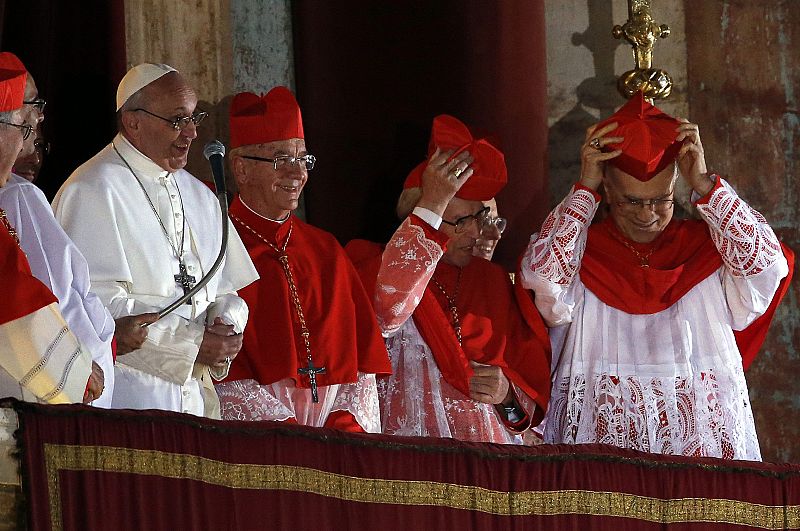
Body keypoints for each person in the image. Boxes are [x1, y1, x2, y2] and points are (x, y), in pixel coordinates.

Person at [521, 92, 793, 460]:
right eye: (632, 201)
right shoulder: (581, 253)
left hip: (694, 431)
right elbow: (546, 286)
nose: (648, 214)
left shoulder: (706, 247)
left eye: (662, 199)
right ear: (608, 190)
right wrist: (583, 189)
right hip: (605, 431)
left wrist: (705, 184)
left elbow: (766, 266)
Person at [53, 63, 258, 418]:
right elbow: (93, 308)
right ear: (133, 122)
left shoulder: (199, 195)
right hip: (127, 397)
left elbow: (225, 290)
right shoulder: (91, 190)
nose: (193, 133)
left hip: (194, 397)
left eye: (195, 117)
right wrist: (192, 346)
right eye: (178, 120)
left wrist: (226, 323)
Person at [347, 114, 551, 443]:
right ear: (424, 213)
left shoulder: (492, 282)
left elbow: (520, 423)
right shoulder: (370, 262)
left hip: (485, 468)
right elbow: (385, 310)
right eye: (459, 221)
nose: (476, 232)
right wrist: (433, 201)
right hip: (407, 462)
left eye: (480, 217)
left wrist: (506, 396)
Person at [215, 87, 391, 432]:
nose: (297, 174)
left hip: (334, 439)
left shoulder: (326, 250)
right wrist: (287, 435)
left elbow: (359, 364)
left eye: (303, 159)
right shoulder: (215, 247)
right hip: (264, 440)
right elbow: (221, 370)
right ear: (242, 169)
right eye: (281, 160)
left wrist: (344, 430)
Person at [0, 52, 113, 406]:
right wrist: (77, 371)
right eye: (26, 122)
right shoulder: (20, 195)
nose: (35, 122)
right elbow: (20, 306)